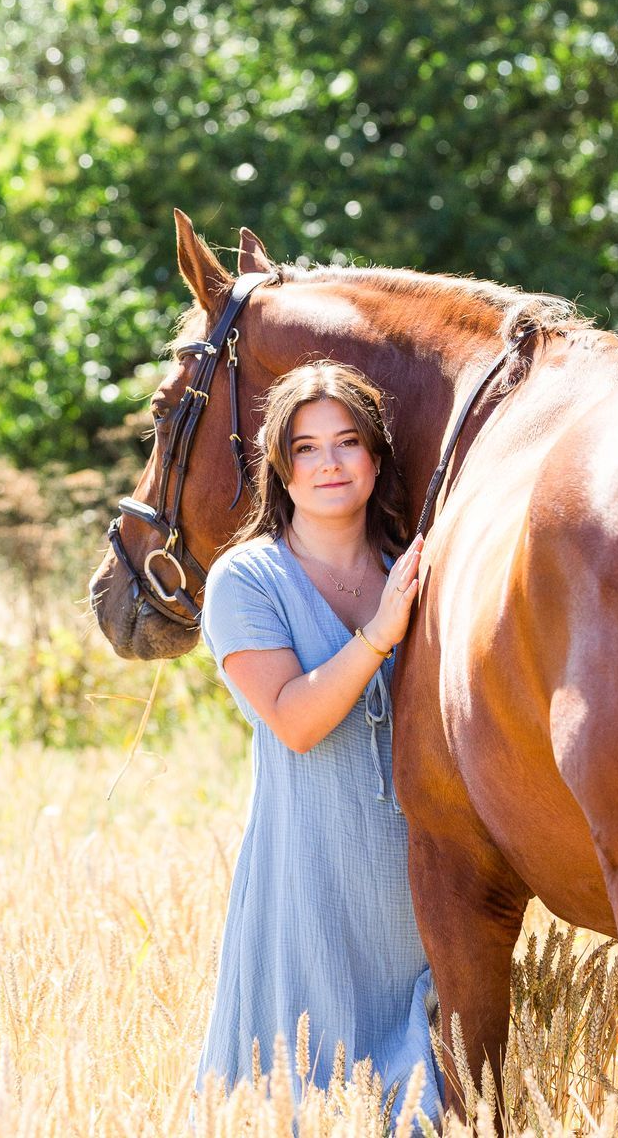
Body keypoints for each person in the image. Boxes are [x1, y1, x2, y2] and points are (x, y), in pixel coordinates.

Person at [194, 360, 441, 1123]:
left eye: (348, 443)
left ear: (376, 458)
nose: (330, 463)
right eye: (306, 447)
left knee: (431, 1105)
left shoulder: (418, 573)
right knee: (303, 1101)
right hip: (309, 887)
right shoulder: (246, 581)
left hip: (421, 891)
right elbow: (297, 721)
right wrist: (378, 636)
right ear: (279, 464)